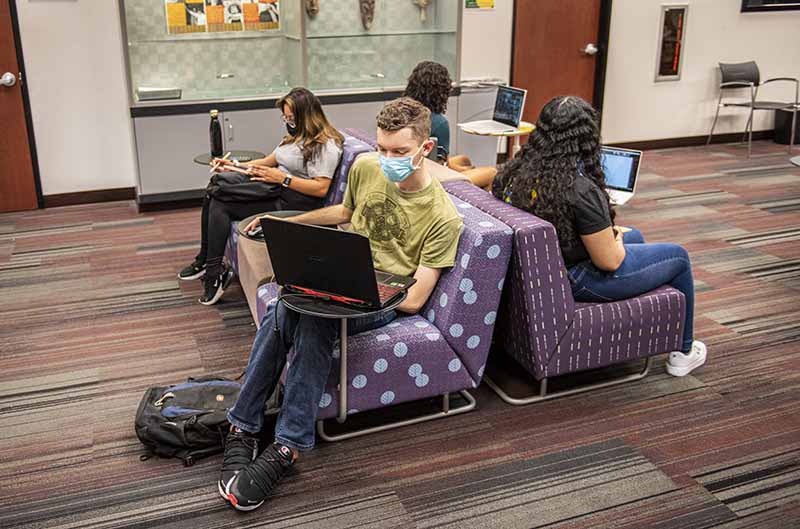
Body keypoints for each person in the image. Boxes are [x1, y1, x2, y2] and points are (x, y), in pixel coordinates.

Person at [219, 98, 463, 512]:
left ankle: (279, 442)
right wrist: (287, 224)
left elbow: (416, 298)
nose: (387, 159)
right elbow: (344, 212)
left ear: (426, 148)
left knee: (311, 319)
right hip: (340, 275)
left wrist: (366, 290)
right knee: (287, 305)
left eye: (399, 152)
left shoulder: (444, 216)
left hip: (386, 297)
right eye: (383, 148)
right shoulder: (367, 167)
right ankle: (250, 429)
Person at [492, 95, 706, 378]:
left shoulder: (515, 173)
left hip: (543, 272)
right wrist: (613, 237)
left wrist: (613, 234)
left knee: (636, 234)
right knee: (678, 256)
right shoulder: (579, 189)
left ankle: (637, 332)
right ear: (587, 137)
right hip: (576, 278)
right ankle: (684, 352)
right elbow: (609, 262)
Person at [179, 87, 344, 306]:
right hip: (276, 190)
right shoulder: (295, 137)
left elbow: (321, 188)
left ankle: (211, 270)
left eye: (292, 118)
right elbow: (268, 161)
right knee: (216, 191)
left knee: (219, 198)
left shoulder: (326, 145)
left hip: (294, 202)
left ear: (307, 116)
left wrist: (282, 179)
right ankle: (210, 268)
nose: (288, 122)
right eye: (285, 117)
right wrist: (233, 165)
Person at [403, 61, 497, 189]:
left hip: (412, 170)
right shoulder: (439, 123)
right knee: (492, 172)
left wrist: (462, 169)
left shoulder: (404, 111)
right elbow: (441, 168)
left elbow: (441, 160)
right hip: (433, 181)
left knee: (464, 160)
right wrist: (461, 173)